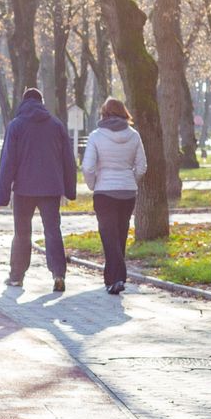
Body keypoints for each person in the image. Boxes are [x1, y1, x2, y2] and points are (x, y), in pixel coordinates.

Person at [0, 87, 77, 292]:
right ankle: (58, 274)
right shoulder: (56, 125)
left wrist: (4, 194)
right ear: (41, 102)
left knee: (22, 233)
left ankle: (16, 277)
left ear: (23, 102)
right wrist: (70, 189)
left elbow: (8, 162)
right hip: (51, 188)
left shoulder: (16, 126)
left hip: (24, 189)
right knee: (52, 231)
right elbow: (68, 160)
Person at [81, 97, 147, 294]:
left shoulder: (96, 136)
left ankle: (117, 277)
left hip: (105, 193)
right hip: (127, 192)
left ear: (104, 113)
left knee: (109, 236)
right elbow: (142, 166)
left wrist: (94, 185)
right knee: (120, 235)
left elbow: (88, 167)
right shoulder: (134, 136)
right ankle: (113, 279)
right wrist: (130, 180)